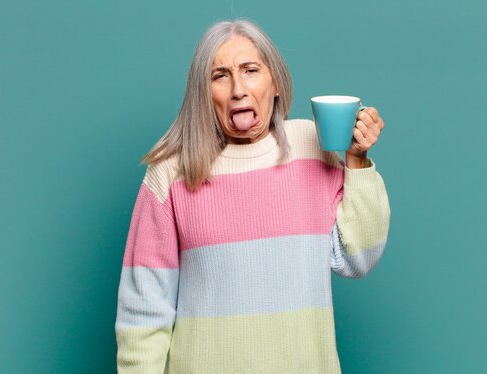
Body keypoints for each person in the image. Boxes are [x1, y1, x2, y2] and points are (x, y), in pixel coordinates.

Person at [115, 19, 390, 373]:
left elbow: (357, 259)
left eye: (251, 70)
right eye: (220, 76)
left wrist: (357, 160)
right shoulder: (169, 174)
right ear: (205, 93)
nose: (238, 89)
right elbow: (144, 309)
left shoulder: (312, 146)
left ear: (275, 82)